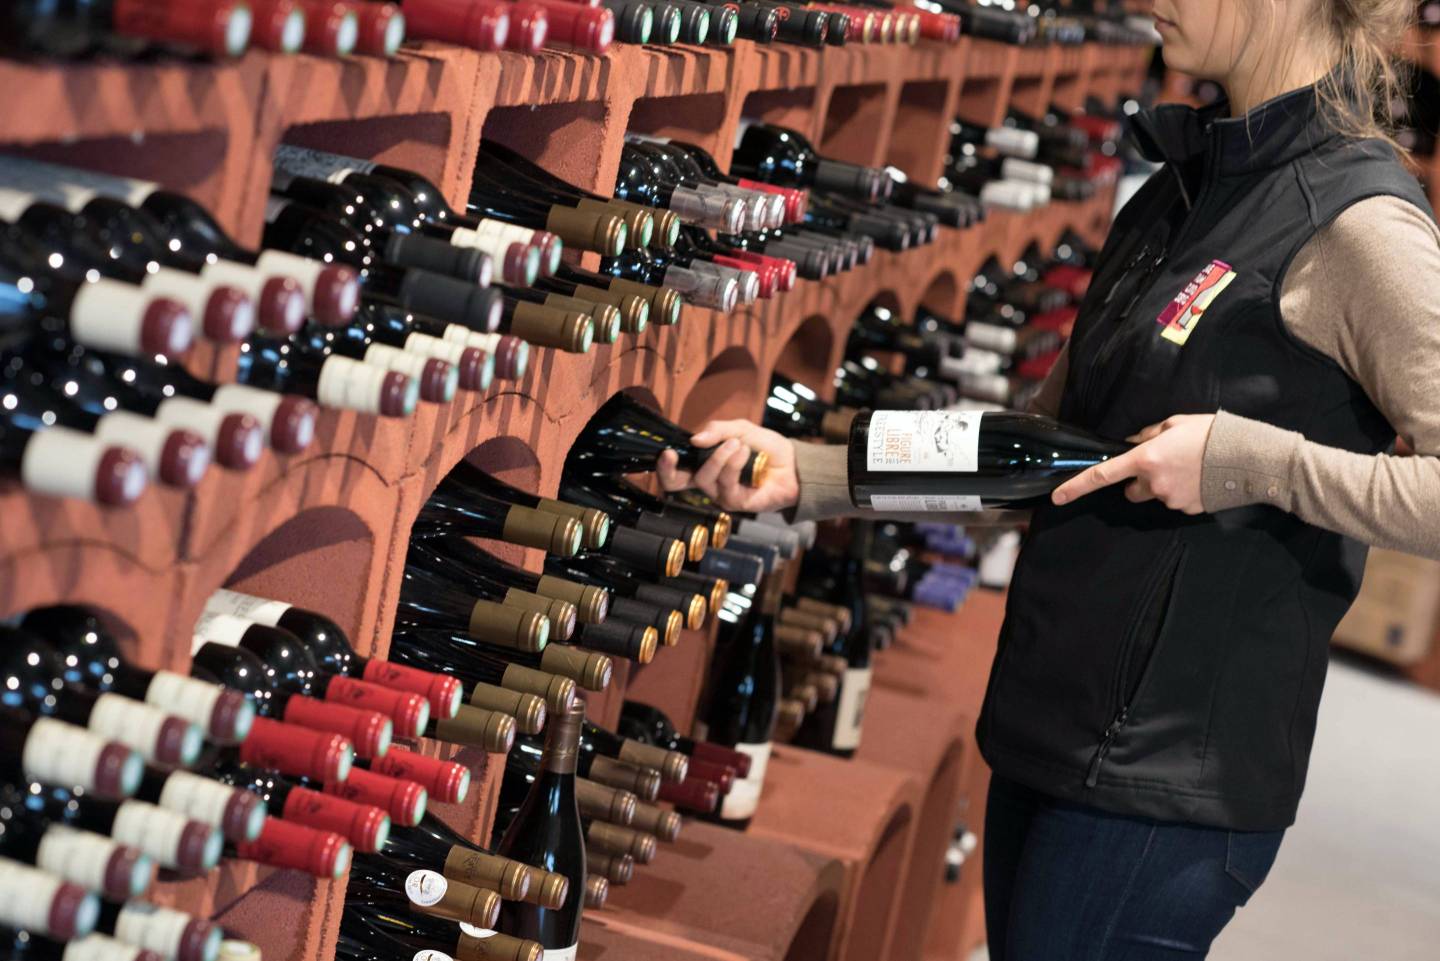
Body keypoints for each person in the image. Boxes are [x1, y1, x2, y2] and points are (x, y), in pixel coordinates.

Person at [656, 0, 1440, 954]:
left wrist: (1243, 462)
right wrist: (814, 473)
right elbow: (1039, 448)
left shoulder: (1357, 223)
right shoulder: (1185, 188)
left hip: (1166, 790)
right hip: (1054, 729)